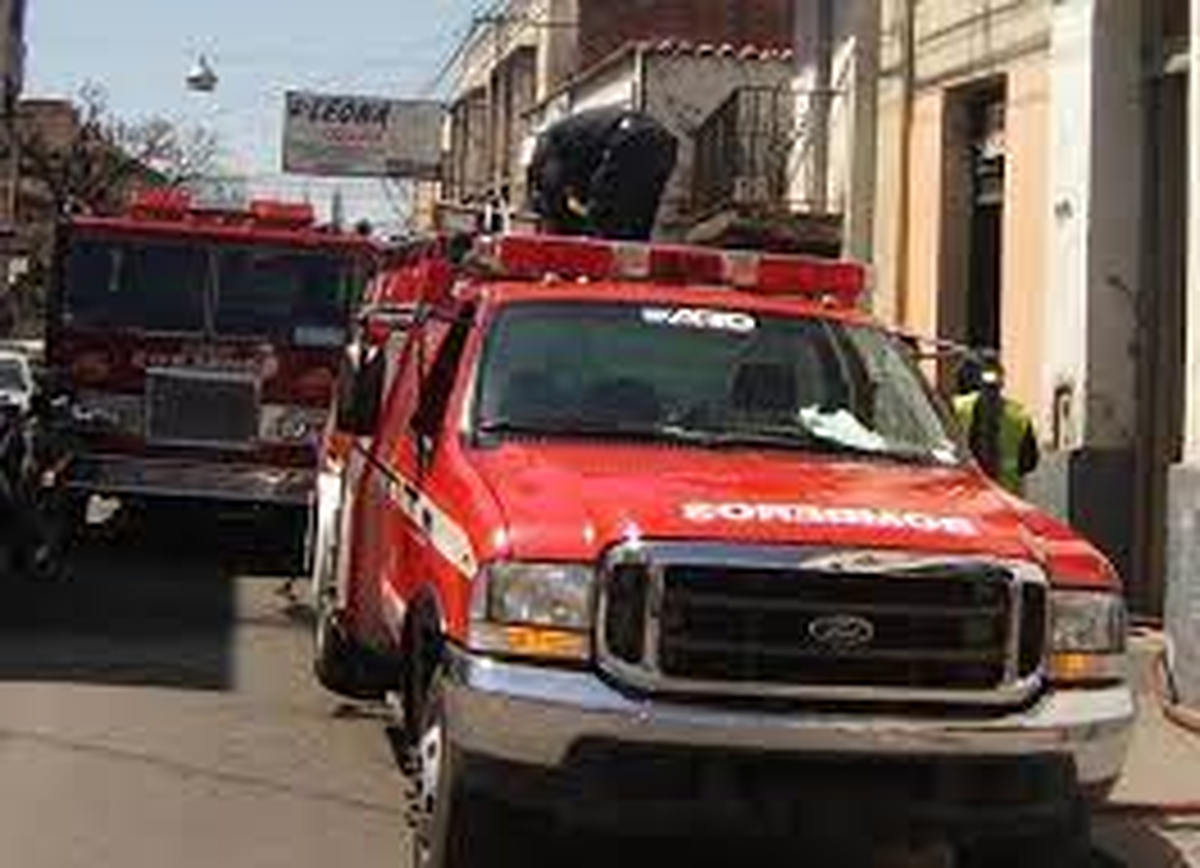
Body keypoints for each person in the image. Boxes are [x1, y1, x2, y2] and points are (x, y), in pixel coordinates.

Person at [527, 107, 678, 241]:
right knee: (637, 221)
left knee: (603, 218)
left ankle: (598, 270)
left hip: (630, 137)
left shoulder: (549, 145)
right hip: (664, 143)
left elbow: (554, 198)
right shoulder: (575, 144)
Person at [954, 358, 1039, 495]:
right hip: (1005, 496)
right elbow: (1029, 462)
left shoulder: (957, 408)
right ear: (1002, 382)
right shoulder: (1018, 414)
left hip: (967, 494)